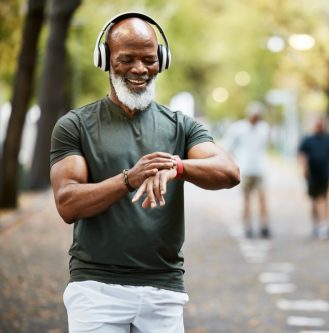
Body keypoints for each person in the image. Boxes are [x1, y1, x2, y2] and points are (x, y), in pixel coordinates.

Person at [49, 12, 240, 333]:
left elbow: (229, 172)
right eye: (127, 59)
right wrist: (128, 179)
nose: (140, 69)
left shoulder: (181, 125)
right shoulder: (75, 125)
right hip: (96, 289)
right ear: (105, 59)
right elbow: (68, 204)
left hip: (163, 289)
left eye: (149, 59)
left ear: (162, 60)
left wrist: (177, 166)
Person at [224, 101, 271, 238]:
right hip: (245, 169)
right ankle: (247, 226)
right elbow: (229, 147)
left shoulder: (264, 128)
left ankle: (264, 225)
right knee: (246, 200)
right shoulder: (239, 128)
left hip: (260, 169)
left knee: (262, 199)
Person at [298, 116, 329, 240]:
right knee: (314, 200)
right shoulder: (308, 139)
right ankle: (316, 224)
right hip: (312, 174)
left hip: (325, 173)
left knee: (325, 199)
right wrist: (304, 169)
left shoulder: (328, 139)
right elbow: (302, 154)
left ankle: (325, 223)